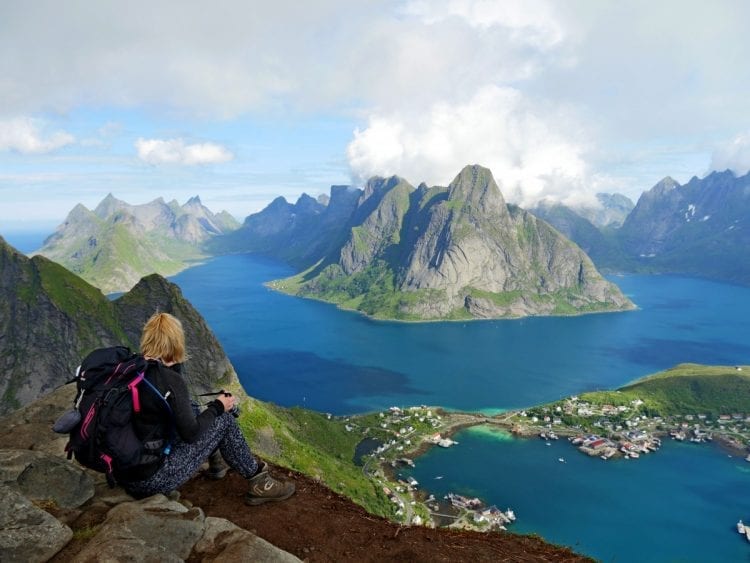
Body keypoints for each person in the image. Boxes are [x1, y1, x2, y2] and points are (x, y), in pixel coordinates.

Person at [119, 311, 295, 505]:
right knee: (224, 420)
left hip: (125, 473)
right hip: (152, 480)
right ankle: (260, 483)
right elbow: (191, 433)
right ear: (177, 341)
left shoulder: (132, 369)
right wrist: (219, 406)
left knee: (195, 409)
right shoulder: (169, 380)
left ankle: (218, 464)